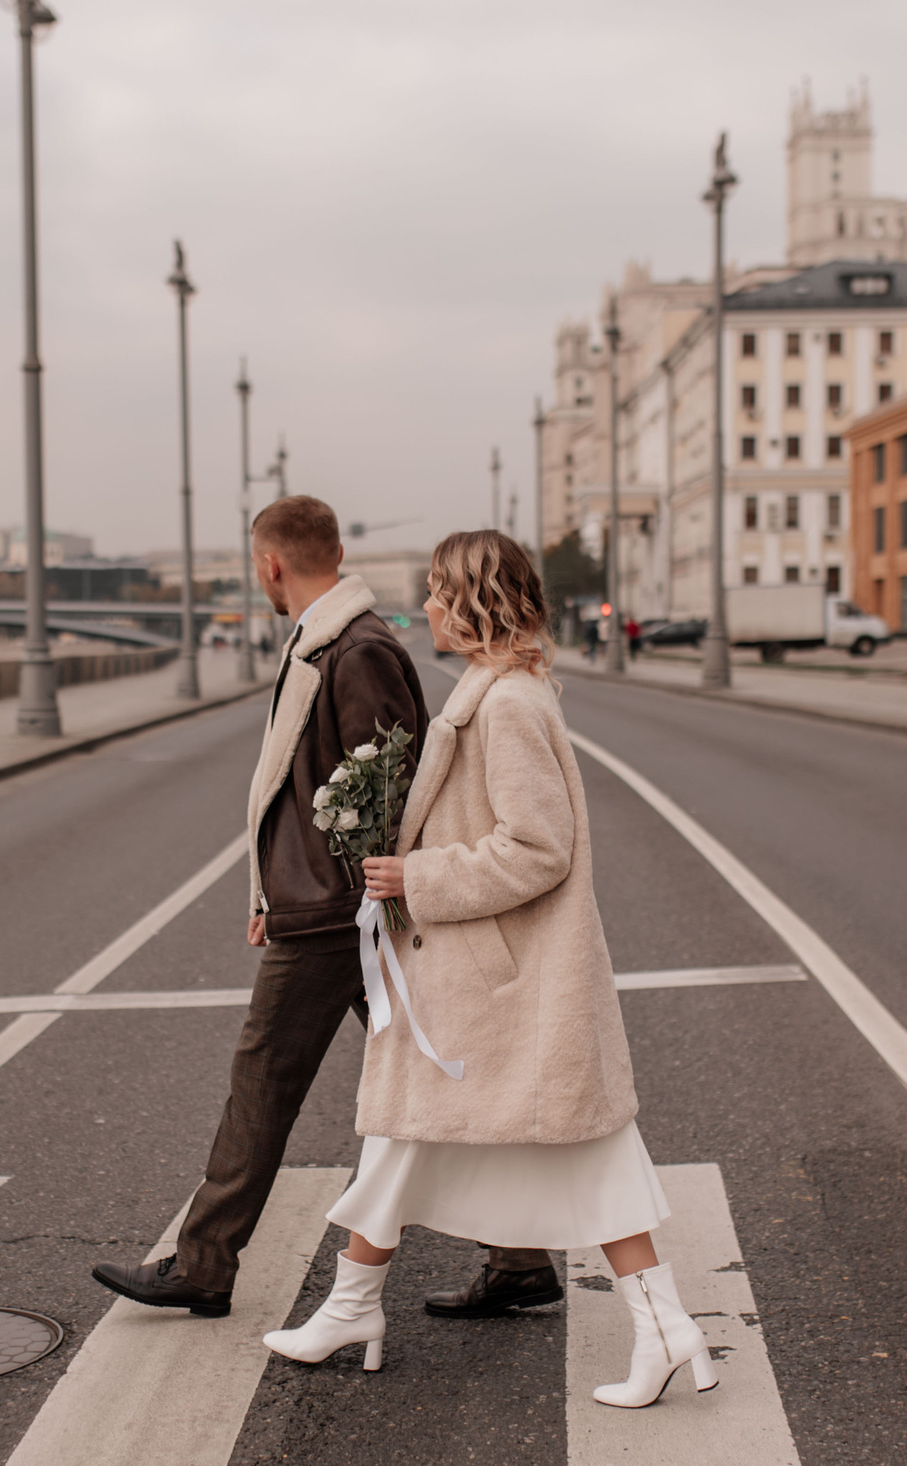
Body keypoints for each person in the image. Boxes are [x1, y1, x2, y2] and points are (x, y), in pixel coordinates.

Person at [261, 529, 715, 1410]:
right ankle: (357, 1306)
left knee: (563, 1151)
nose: (424, 605)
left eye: (436, 590)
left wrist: (415, 877)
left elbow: (539, 848)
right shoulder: (495, 691)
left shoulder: (506, 705)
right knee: (414, 1138)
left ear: (472, 603)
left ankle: (359, 1309)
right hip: (487, 980)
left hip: (503, 981)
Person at [92, 497, 557, 1320]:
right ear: (334, 549)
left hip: (344, 911)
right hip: (328, 903)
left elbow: (389, 787)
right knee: (437, 1070)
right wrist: (270, 894)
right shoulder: (329, 641)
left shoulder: (358, 648)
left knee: (264, 1074)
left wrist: (352, 900)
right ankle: (520, 1254)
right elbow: (312, 787)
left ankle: (204, 1263)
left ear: (270, 564)